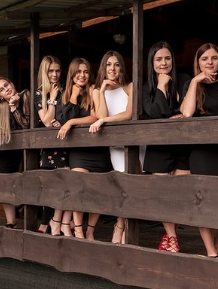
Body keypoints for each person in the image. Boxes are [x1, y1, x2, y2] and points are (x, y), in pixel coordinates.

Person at [180, 42, 218, 260]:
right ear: (198, 62)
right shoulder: (191, 84)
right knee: (203, 201)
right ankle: (210, 251)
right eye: (204, 59)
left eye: (214, 58)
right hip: (202, 151)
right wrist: (196, 81)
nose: (210, 63)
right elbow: (186, 114)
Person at [142, 40, 190, 254]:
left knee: (180, 195)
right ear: (152, 62)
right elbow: (154, 113)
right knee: (163, 195)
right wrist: (161, 86)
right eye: (159, 59)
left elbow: (189, 111)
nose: (164, 63)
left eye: (167, 58)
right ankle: (172, 238)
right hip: (159, 146)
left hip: (182, 145)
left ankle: (170, 236)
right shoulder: (146, 88)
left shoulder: (185, 81)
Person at [56, 58, 107, 239]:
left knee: (97, 193)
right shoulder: (65, 95)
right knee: (78, 189)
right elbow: (62, 119)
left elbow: (94, 117)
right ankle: (78, 228)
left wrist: (71, 122)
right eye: (78, 72)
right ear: (72, 74)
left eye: (85, 72)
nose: (82, 75)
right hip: (78, 152)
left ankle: (90, 230)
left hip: (97, 151)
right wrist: (73, 97)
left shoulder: (93, 90)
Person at [88, 50, 134, 244]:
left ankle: (121, 226)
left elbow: (128, 113)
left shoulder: (130, 87)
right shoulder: (96, 90)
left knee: (129, 187)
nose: (112, 68)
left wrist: (104, 120)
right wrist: (103, 91)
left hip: (131, 145)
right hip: (113, 148)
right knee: (120, 188)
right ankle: (121, 225)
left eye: (116, 64)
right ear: (103, 67)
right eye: (108, 64)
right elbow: (100, 115)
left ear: (121, 67)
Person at [34, 55, 70, 236]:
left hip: (67, 141)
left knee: (67, 185)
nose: (55, 74)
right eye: (51, 71)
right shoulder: (40, 92)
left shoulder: (65, 89)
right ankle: (44, 224)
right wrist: (53, 98)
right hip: (50, 147)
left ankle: (62, 222)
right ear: (44, 72)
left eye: (57, 70)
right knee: (51, 187)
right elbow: (47, 120)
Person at [0, 76, 30, 228]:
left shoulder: (24, 95)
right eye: (1, 89)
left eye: (6, 85)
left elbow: (27, 124)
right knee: (5, 185)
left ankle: (21, 208)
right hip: (4, 151)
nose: (7, 89)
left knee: (26, 182)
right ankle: (11, 222)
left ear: (11, 83)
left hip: (24, 148)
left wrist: (14, 107)